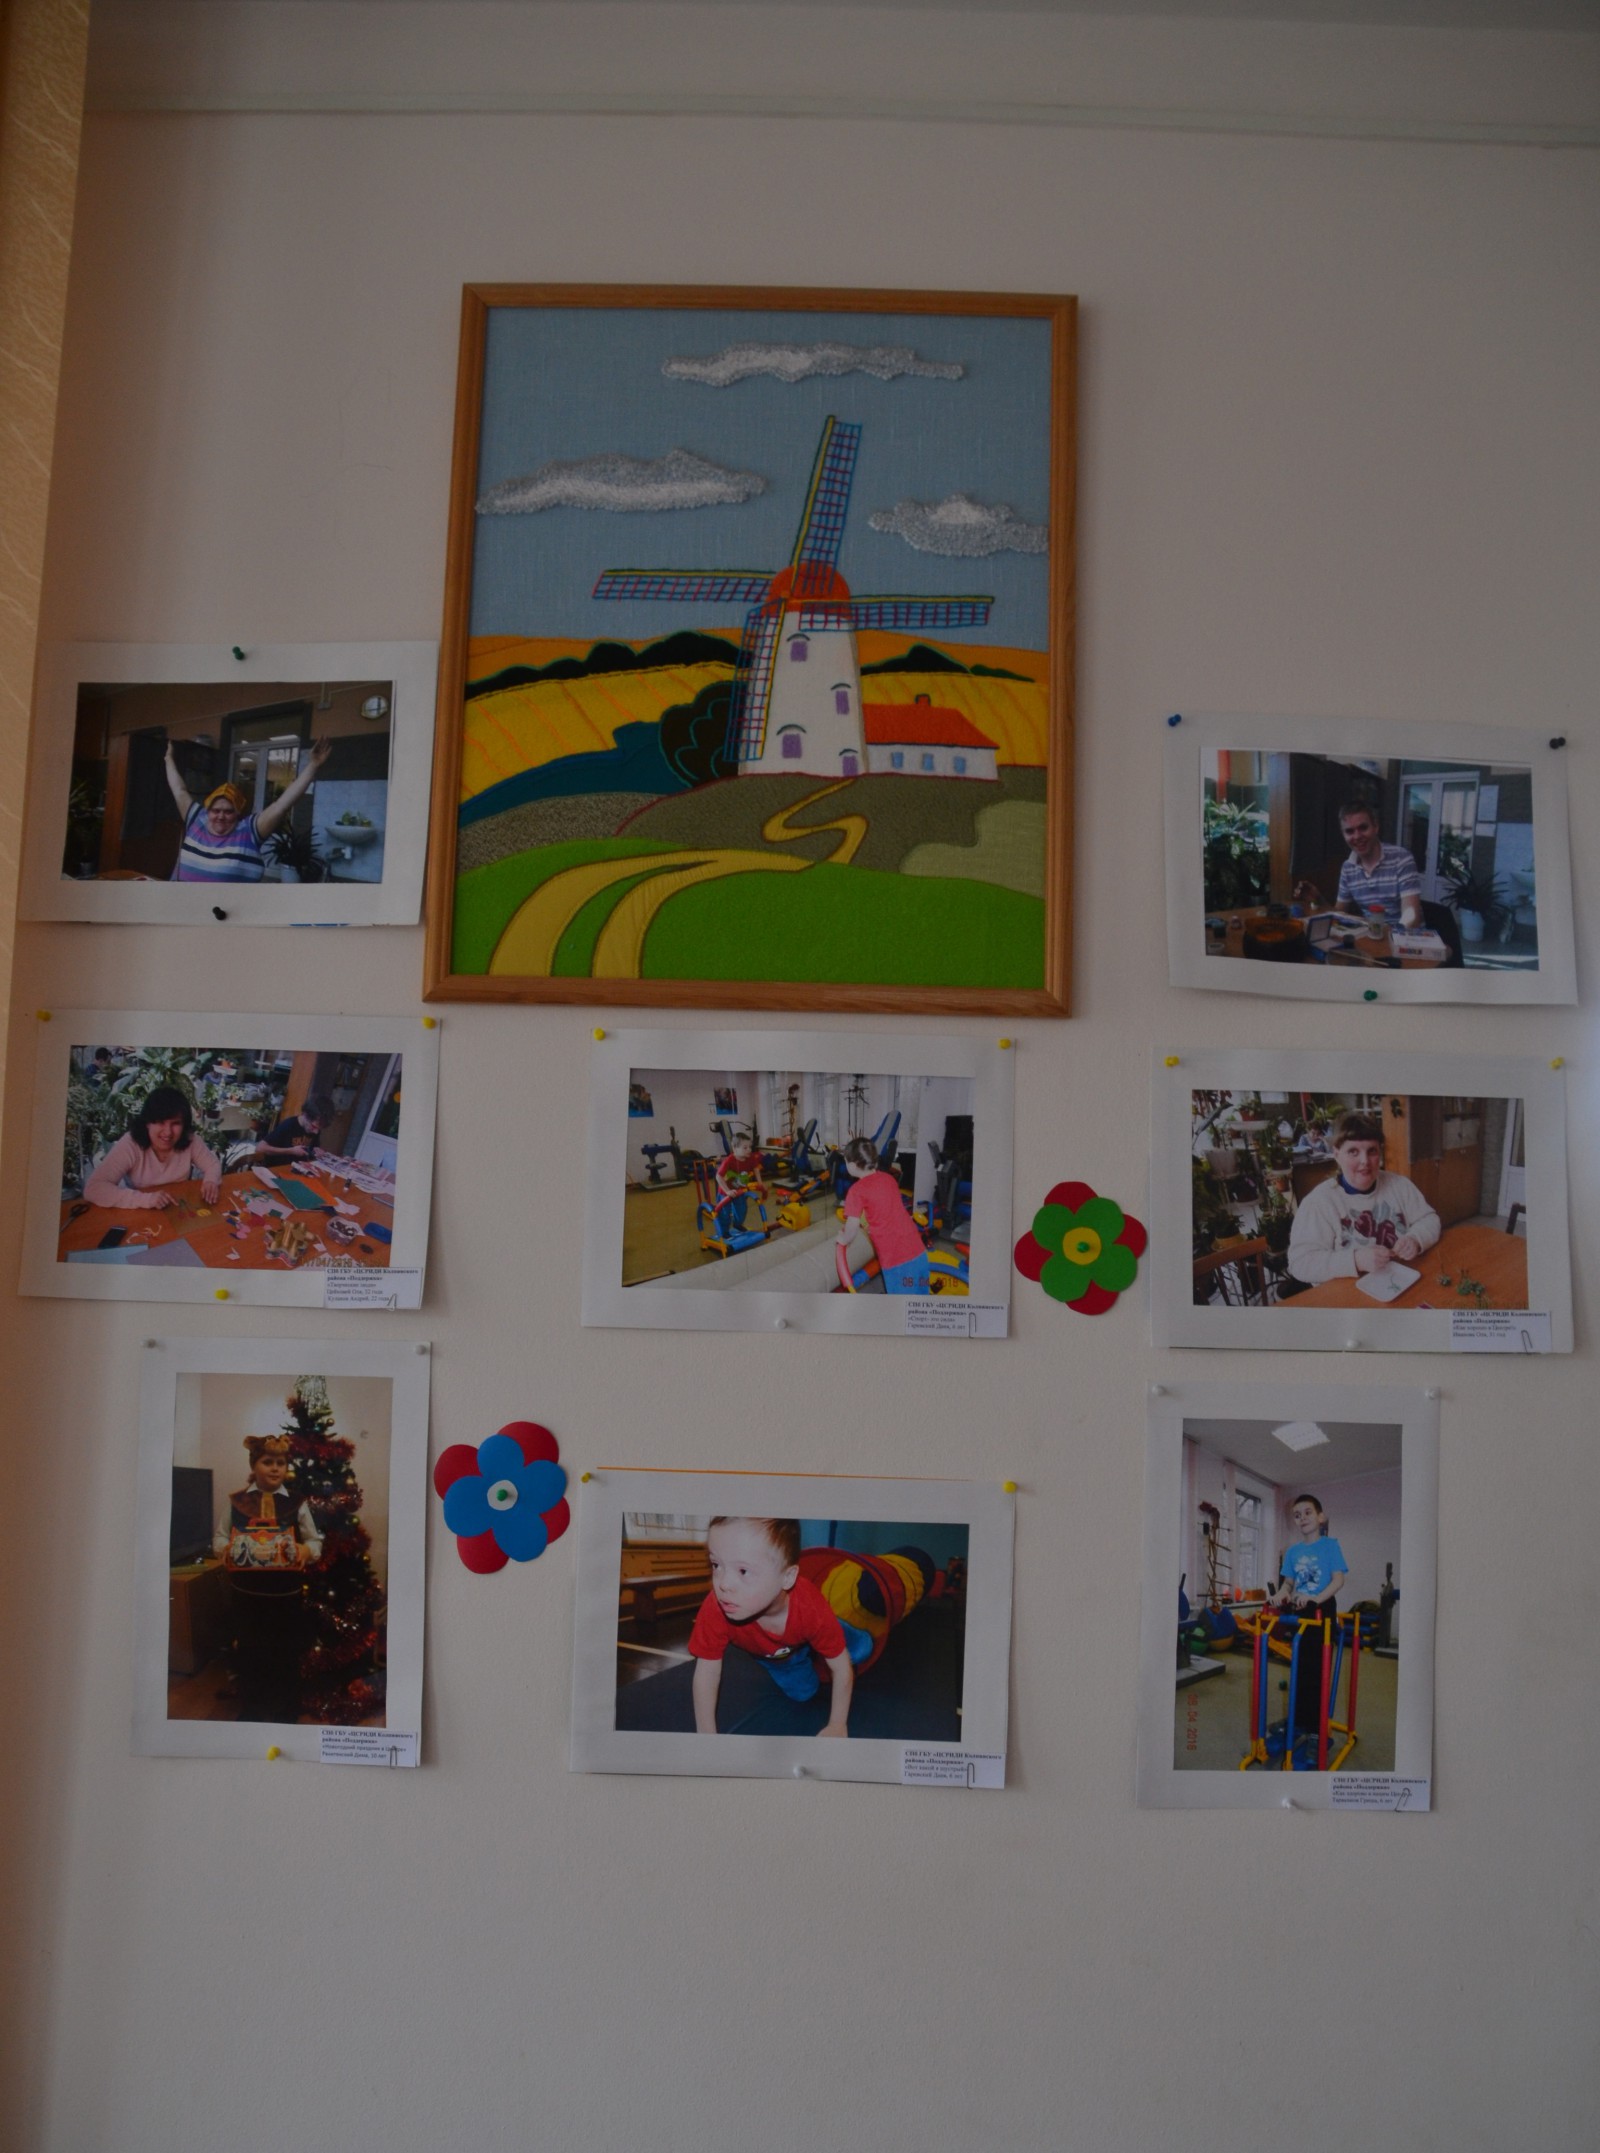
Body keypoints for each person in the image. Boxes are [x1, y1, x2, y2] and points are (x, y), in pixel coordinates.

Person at [689, 1517, 871, 1738]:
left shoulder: (810, 1608)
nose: (723, 1584)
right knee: (804, 1693)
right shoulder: (716, 1607)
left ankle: (841, 1630)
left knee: (859, 1650)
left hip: (809, 1627)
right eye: (716, 1565)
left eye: (743, 1571)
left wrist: (837, 1724)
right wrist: (706, 1736)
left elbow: (841, 1668)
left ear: (787, 1577)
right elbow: (707, 1671)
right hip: (779, 1656)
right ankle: (815, 1646)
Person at [214, 1434, 321, 1723]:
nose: (275, 1468)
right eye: (267, 1462)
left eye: (281, 1463)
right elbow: (220, 1536)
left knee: (285, 1653)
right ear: (254, 1464)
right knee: (251, 1652)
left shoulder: (297, 1503)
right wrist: (225, 1549)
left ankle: (287, 1711)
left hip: (285, 1597)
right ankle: (253, 1709)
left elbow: (314, 1541)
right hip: (247, 1597)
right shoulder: (237, 1501)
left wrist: (306, 1550)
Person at [1286, 1110, 1440, 1286]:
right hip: (1346, 1295)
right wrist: (1355, 1260)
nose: (1365, 1161)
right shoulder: (1318, 1202)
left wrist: (1416, 1239)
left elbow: (1430, 1219)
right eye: (1353, 1151)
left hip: (1398, 1283)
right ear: (1337, 1155)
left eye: (1372, 1151)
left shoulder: (1400, 1185)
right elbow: (1300, 1263)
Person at [164, 735, 332, 882]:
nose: (220, 816)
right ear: (208, 810)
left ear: (238, 813)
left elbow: (281, 805)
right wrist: (168, 759)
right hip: (182, 901)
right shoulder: (196, 819)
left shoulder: (249, 831)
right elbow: (179, 790)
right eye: (215, 810)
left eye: (228, 811)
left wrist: (313, 765)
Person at [1266, 1492, 1348, 1741]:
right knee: (1300, 1669)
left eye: (1308, 1512)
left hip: (1322, 1609)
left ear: (1321, 1517)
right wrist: (1281, 1594)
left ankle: (1316, 1728)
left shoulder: (1330, 1545)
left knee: (1317, 1671)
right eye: (1297, 1515)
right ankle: (1299, 1719)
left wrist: (1316, 1599)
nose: (1302, 1518)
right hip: (1300, 1611)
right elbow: (1288, 1584)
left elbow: (1338, 1580)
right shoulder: (1293, 1552)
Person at [82, 1084, 222, 1209]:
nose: (168, 1132)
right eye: (160, 1122)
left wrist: (211, 1181)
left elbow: (213, 1165)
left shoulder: (190, 1140)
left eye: (175, 1123)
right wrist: (146, 1199)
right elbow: (94, 1188)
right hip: (141, 1211)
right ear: (147, 1123)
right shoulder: (131, 1143)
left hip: (178, 1208)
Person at [1293, 798, 1422, 930]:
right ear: (1343, 835)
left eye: (1363, 828)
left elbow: (1411, 918)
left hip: (1406, 937)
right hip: (1373, 934)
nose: (1357, 836)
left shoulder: (1402, 858)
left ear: (1376, 827)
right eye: (1349, 831)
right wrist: (1318, 899)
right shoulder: (1347, 868)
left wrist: (1389, 938)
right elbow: (1339, 914)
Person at [837, 1135, 929, 1293]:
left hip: (896, 1259)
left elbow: (852, 1227)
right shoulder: (889, 1179)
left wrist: (844, 1239)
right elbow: (887, 1209)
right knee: (920, 1298)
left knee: (901, 1304)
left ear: (851, 1165)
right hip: (918, 1250)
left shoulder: (856, 1191)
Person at [253, 1093, 336, 1168]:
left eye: (319, 1129)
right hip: (279, 1170)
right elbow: (260, 1148)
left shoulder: (315, 1129)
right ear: (305, 1115)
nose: (316, 1132)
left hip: (299, 1170)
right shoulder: (289, 1125)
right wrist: (290, 1151)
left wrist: (317, 1151)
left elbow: (312, 1150)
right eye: (314, 1127)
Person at [713, 1129, 766, 1231]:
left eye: (750, 1147)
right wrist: (727, 1191)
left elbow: (756, 1168)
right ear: (735, 1148)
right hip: (725, 1191)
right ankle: (724, 1231)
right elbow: (718, 1176)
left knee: (742, 1209)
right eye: (745, 1147)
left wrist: (760, 1182)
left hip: (740, 1190)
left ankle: (737, 1224)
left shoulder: (751, 1158)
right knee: (724, 1213)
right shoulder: (729, 1160)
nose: (749, 1150)